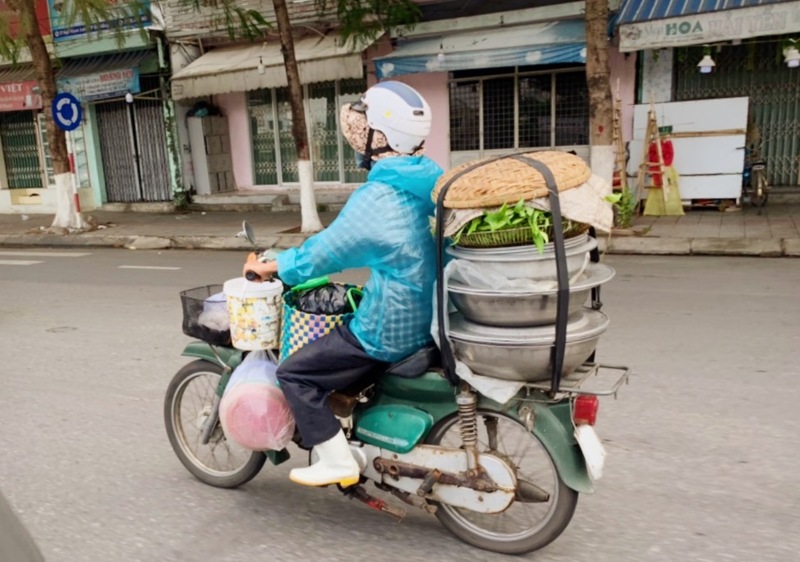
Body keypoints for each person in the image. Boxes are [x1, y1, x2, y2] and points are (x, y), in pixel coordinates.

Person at [243, 81, 443, 488]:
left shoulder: (381, 197)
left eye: (362, 134)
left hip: (391, 327)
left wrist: (274, 266)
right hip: (430, 316)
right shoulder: (427, 180)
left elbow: (325, 254)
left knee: (295, 373)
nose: (358, 142)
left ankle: (336, 460)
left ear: (378, 138)